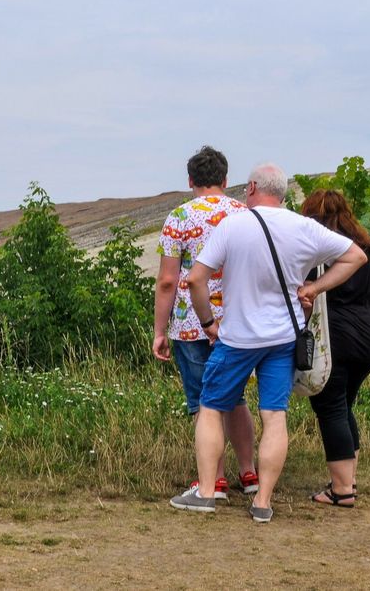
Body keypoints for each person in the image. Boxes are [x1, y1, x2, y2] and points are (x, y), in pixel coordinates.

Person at [169, 163, 367, 523]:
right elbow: (356, 256)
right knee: (274, 416)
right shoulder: (303, 227)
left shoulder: (233, 225)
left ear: (253, 187)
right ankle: (262, 501)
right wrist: (313, 288)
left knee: (211, 407)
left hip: (238, 337)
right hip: (282, 338)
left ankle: (207, 491)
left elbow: (196, 279)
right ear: (284, 192)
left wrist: (209, 323)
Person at [152, 146, 257, 500]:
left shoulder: (179, 217)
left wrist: (159, 331)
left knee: (202, 402)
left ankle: (214, 479)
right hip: (238, 322)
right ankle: (250, 472)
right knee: (236, 398)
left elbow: (168, 280)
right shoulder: (245, 214)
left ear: (191, 180)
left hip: (190, 322)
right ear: (226, 179)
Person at [300, 189, 370, 507]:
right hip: (367, 337)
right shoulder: (369, 247)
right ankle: (347, 479)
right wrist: (367, 321)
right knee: (344, 407)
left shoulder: (318, 250)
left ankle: (342, 491)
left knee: (331, 409)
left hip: (332, 338)